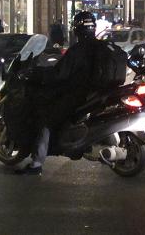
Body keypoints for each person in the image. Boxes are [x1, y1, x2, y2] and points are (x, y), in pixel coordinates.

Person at [16, 11, 101, 175]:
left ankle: (36, 163)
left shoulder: (77, 50)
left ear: (76, 29)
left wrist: (37, 74)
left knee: (46, 118)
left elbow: (59, 73)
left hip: (76, 95)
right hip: (93, 94)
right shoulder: (100, 46)